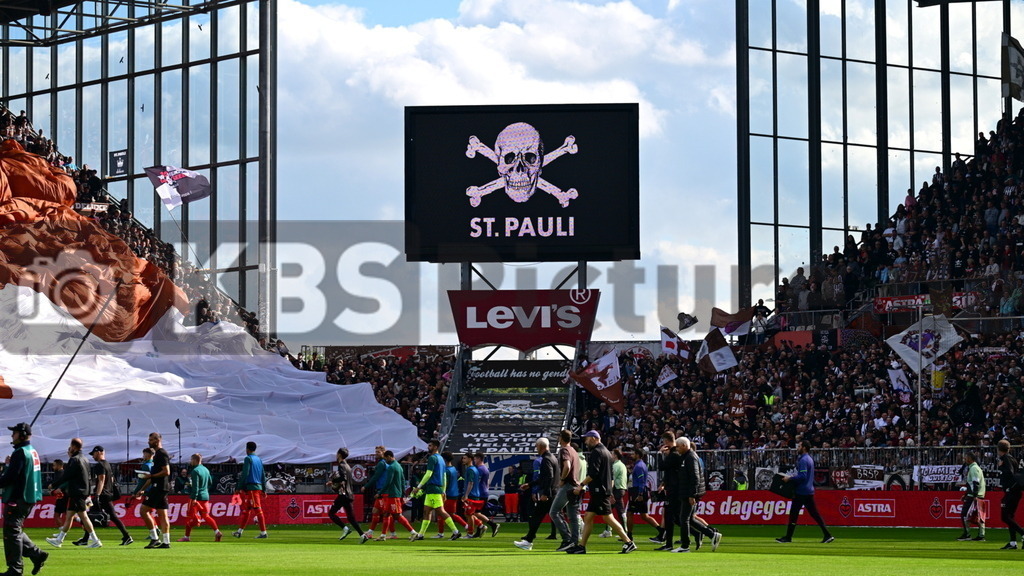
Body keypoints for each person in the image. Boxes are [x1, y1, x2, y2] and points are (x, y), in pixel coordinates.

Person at [565, 431, 637, 554]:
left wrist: (581, 485)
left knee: (608, 518)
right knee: (588, 517)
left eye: (587, 439)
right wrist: (610, 491)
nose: (585, 442)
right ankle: (581, 546)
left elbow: (593, 473)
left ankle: (628, 542)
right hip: (601, 490)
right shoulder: (607, 452)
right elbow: (610, 476)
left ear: (594, 438)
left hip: (600, 491)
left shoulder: (597, 452)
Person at [0, 423, 48, 576]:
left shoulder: (20, 452)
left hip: (18, 498)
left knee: (11, 533)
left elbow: (11, 477)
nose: (12, 436)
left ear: (21, 435)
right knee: (15, 529)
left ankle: (15, 568)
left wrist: (6, 469)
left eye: (14, 433)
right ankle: (36, 554)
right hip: (29, 497)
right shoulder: (32, 451)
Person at [46, 438, 101, 549]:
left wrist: (54, 485)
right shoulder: (85, 459)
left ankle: (95, 540)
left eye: (70, 447)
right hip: (82, 491)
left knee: (83, 516)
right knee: (69, 516)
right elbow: (88, 476)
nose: (69, 449)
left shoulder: (74, 460)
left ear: (74, 447)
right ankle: (59, 540)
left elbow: (67, 476)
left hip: (77, 491)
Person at [776, 440, 834, 544]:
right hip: (808, 490)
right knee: (815, 514)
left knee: (794, 514)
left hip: (801, 491)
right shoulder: (809, 459)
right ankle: (827, 534)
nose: (797, 448)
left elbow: (802, 476)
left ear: (804, 448)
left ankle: (788, 537)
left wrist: (789, 478)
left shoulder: (803, 460)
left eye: (799, 446)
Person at [673, 437, 720, 553]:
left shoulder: (690, 457)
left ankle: (685, 545)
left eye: (678, 447)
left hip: (689, 493)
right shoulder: (686, 457)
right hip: (687, 492)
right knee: (690, 519)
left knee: (684, 519)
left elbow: (695, 477)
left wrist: (692, 495)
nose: (677, 449)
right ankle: (712, 534)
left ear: (684, 445)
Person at [410, 440, 461, 541]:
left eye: (430, 445)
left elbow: (428, 474)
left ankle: (456, 532)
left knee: (440, 511)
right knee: (426, 511)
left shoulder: (433, 458)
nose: (428, 447)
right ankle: (421, 534)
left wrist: (418, 487)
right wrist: (444, 490)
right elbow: (444, 476)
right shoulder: (441, 459)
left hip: (434, 488)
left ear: (435, 447)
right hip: (434, 489)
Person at [513, 437, 559, 551]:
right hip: (553, 492)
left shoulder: (546, 459)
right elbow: (544, 478)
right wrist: (530, 484)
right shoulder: (552, 457)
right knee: (544, 516)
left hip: (548, 494)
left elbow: (549, 477)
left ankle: (569, 539)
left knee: (540, 516)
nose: (536, 448)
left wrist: (546, 493)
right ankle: (528, 540)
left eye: (536, 446)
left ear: (540, 446)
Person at [81, 446, 132, 546]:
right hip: (107, 493)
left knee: (93, 516)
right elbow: (111, 479)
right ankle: (85, 539)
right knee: (105, 516)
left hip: (102, 494)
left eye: (94, 454)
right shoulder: (107, 464)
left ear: (99, 452)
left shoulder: (100, 465)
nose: (93, 456)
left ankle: (127, 536)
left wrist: (97, 495)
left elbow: (101, 480)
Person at [136, 432, 172, 548]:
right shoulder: (158, 454)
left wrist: (151, 476)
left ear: (157, 440)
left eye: (151, 440)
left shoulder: (161, 453)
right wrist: (143, 489)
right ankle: (166, 542)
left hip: (159, 487)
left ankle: (154, 538)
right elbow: (153, 476)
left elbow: (166, 471)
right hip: (161, 487)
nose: (149, 441)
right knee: (162, 515)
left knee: (143, 510)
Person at [373, 450, 418, 541]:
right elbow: (402, 480)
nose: (385, 461)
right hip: (395, 494)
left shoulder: (391, 467)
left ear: (389, 456)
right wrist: (402, 493)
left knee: (397, 515)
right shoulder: (399, 466)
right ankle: (383, 535)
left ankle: (414, 533)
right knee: (386, 513)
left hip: (393, 494)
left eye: (386, 458)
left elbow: (388, 482)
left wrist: (380, 492)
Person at [549, 429, 581, 552]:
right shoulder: (574, 450)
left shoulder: (564, 450)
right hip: (575, 485)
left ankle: (566, 539)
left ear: (561, 438)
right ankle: (574, 541)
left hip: (568, 485)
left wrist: (562, 479)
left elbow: (567, 466)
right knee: (573, 516)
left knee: (554, 512)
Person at [178, 454, 222, 542]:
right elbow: (210, 482)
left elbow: (196, 486)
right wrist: (204, 488)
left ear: (195, 460)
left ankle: (187, 536)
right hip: (205, 496)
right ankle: (217, 532)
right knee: (206, 516)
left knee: (189, 516)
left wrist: (194, 498)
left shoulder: (195, 471)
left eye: (191, 460)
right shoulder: (206, 470)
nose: (190, 461)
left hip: (196, 497)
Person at [325, 448, 364, 541]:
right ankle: (363, 535)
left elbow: (343, 478)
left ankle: (345, 528)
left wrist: (332, 481)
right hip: (349, 494)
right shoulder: (347, 466)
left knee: (331, 513)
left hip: (343, 494)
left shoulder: (342, 465)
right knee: (351, 518)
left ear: (339, 454)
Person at [233, 441, 268, 539]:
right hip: (257, 487)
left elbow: (245, 474)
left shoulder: (248, 458)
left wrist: (239, 487)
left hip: (252, 488)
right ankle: (239, 532)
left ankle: (263, 533)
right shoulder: (259, 459)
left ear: (247, 449)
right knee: (247, 510)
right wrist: (264, 489)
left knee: (258, 510)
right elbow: (263, 475)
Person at [654, 432, 681, 550]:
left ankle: (669, 543)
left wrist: (660, 454)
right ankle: (697, 533)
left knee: (672, 517)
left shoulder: (674, 454)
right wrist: (664, 483)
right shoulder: (675, 453)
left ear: (666, 441)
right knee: (673, 517)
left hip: (673, 490)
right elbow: (669, 471)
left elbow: (662, 467)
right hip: (672, 488)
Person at [626, 449, 659, 542]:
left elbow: (641, 481)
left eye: (633, 454)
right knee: (644, 516)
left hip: (637, 491)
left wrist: (640, 494)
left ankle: (629, 536)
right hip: (640, 491)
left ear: (638, 455)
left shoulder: (639, 466)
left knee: (630, 513)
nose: (631, 455)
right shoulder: (641, 465)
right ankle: (661, 530)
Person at [997, 440, 1023, 549]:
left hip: (1011, 491)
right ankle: (1013, 542)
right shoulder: (1012, 458)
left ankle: (1022, 533)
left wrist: (1001, 467)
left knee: (1005, 517)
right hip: (1015, 491)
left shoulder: (1006, 458)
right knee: (1010, 517)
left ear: (999, 449)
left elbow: (1010, 472)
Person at [438, 452, 470, 538]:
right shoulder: (453, 469)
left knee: (441, 513)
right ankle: (466, 526)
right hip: (454, 493)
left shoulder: (446, 470)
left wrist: (442, 492)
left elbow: (445, 484)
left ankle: (441, 533)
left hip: (448, 494)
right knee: (451, 514)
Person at [361, 446, 389, 541]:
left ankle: (412, 532)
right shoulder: (384, 463)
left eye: (378, 452)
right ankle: (371, 532)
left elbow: (376, 477)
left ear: (383, 452)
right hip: (382, 490)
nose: (376, 454)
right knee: (376, 511)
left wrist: (366, 486)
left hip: (383, 490)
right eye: (376, 452)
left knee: (387, 514)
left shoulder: (381, 463)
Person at [957, 451, 987, 542]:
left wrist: (974, 495)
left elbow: (975, 483)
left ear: (970, 458)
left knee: (965, 514)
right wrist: (966, 494)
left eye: (966, 457)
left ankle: (967, 534)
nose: (964, 459)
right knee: (979, 516)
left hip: (974, 496)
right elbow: (972, 484)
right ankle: (981, 535)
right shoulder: (975, 468)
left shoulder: (973, 468)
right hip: (977, 495)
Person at [600, 449, 628, 539]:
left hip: (617, 489)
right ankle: (608, 530)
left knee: (619, 511)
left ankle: (624, 531)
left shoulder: (616, 466)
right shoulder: (622, 465)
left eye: (612, 454)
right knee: (610, 510)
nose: (611, 455)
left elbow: (612, 479)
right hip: (621, 488)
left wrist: (610, 492)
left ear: (615, 455)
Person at [131, 447, 157, 543]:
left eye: (144, 454)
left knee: (145, 511)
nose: (143, 456)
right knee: (150, 511)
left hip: (147, 491)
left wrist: (136, 492)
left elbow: (143, 481)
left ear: (148, 454)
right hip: (155, 490)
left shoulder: (146, 465)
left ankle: (155, 532)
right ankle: (156, 529)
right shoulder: (154, 464)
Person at [473, 453, 500, 537]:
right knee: (479, 513)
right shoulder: (485, 468)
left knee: (475, 513)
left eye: (475, 459)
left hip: (480, 493)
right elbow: (487, 482)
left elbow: (476, 481)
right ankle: (479, 531)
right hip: (484, 492)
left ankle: (492, 525)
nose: (474, 461)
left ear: (479, 459)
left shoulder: (480, 469)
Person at [47, 460, 67, 531]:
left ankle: (62, 532)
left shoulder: (60, 473)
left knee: (57, 515)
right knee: (69, 515)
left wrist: (52, 485)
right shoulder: (61, 473)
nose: (53, 467)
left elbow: (59, 482)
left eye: (54, 465)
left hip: (61, 496)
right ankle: (81, 520)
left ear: (59, 465)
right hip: (63, 496)